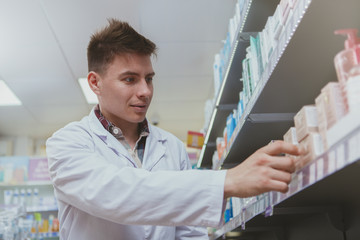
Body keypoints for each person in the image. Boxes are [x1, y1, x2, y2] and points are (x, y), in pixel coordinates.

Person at [46, 19, 301, 240]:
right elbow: (117, 193)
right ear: (95, 82)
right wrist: (227, 181)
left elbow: (189, 232)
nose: (145, 91)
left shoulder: (173, 147)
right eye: (129, 79)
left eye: (149, 78)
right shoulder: (67, 143)